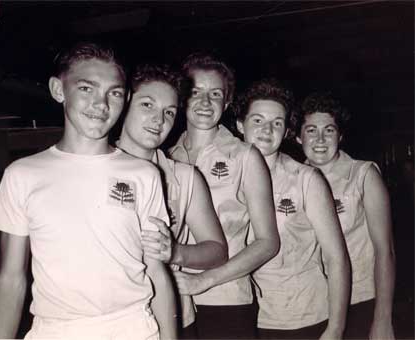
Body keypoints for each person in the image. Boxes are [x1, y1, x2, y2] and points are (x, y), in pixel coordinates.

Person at [0, 42, 177, 340]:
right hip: (56, 330)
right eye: (87, 89)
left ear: (125, 98)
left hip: (134, 327)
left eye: (113, 93)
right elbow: (11, 279)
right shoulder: (22, 175)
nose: (101, 104)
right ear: (58, 90)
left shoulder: (144, 175)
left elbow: (156, 271)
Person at [169, 53, 280, 339]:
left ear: (227, 102)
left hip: (226, 299)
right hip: (175, 300)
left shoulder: (245, 156)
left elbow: (268, 242)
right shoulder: (166, 157)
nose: (205, 102)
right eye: (196, 92)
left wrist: (203, 281)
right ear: (182, 98)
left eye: (215, 94)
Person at [116, 63, 229, 338]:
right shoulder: (93, 170)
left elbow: (217, 250)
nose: (159, 120)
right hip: (111, 321)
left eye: (169, 112)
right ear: (125, 103)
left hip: (173, 321)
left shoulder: (185, 176)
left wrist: (177, 252)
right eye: (147, 105)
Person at [234, 78, 351, 339]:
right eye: (258, 121)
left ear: (287, 130)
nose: (267, 130)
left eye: (277, 123)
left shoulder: (305, 179)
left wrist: (335, 328)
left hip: (305, 317)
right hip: (248, 317)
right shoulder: (225, 178)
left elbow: (337, 258)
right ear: (240, 125)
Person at [294, 92, 396, 340]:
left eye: (328, 130)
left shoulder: (363, 175)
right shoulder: (292, 178)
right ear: (298, 137)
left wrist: (382, 319)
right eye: (311, 130)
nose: (320, 139)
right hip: (314, 306)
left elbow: (386, 251)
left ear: (339, 136)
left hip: (360, 301)